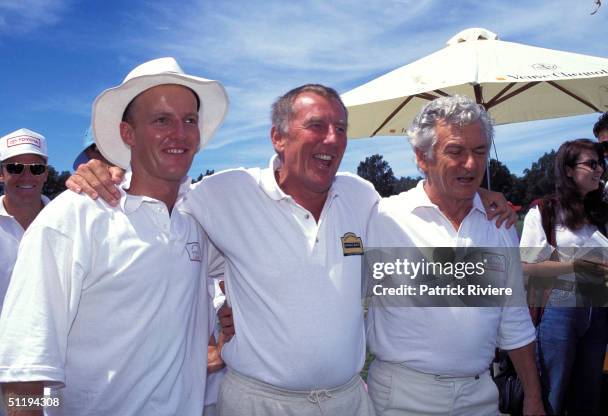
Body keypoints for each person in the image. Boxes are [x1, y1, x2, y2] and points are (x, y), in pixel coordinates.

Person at [67, 85, 516, 416]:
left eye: (340, 128)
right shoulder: (223, 193)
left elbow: (443, 271)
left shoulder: (362, 198)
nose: (332, 138)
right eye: (316, 126)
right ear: (277, 138)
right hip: (258, 404)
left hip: (348, 402)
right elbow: (156, 197)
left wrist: (478, 200)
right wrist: (109, 170)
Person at [0, 57, 229, 416]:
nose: (179, 133)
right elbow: (21, 382)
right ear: (127, 134)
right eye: (161, 120)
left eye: (189, 120)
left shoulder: (199, 218)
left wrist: (231, 319)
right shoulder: (73, 218)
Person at [365, 95, 545, 416]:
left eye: (479, 151)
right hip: (402, 398)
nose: (472, 165)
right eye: (456, 151)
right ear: (422, 157)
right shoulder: (382, 217)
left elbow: (514, 321)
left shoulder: (499, 224)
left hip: (480, 394)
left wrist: (533, 397)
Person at [520, 139, 608, 415]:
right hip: (559, 311)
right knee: (553, 394)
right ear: (569, 170)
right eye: (592, 164)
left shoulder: (602, 213)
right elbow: (526, 267)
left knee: (588, 396)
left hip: (598, 312)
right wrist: (576, 265)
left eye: (602, 163)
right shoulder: (544, 211)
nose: (600, 170)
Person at [0, 128, 50, 312]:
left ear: (46, 174)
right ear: (1, 173)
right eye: (15, 167)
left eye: (36, 168)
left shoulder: (69, 222)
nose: (26, 176)